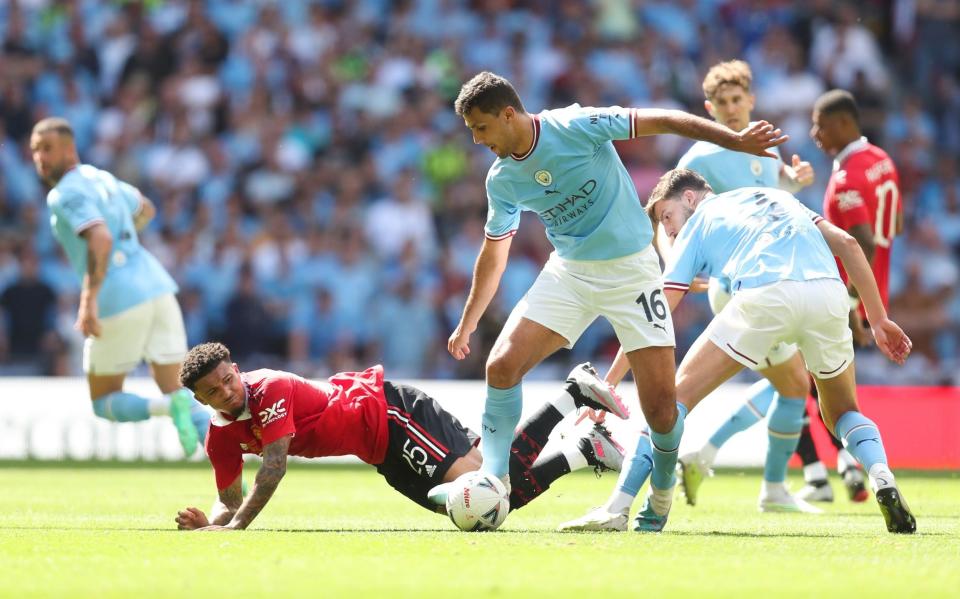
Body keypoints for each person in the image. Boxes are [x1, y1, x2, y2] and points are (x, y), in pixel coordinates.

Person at [428, 71, 788, 515]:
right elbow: (495, 250)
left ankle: (659, 496)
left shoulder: (576, 126)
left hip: (632, 272)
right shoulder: (501, 180)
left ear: (507, 114)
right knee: (501, 366)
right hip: (570, 274)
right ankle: (494, 479)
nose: (478, 141)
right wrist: (469, 322)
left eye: (481, 128)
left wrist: (733, 140)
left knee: (660, 410)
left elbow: (666, 120)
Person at [565, 169, 915, 534]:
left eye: (666, 217)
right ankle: (881, 476)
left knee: (672, 400)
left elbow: (658, 312)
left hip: (765, 295)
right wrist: (877, 319)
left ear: (689, 198)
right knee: (842, 411)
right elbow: (849, 244)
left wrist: (609, 381)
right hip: (828, 295)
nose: (668, 231)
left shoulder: (698, 223)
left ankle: (620, 507)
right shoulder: (780, 198)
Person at [580, 59, 820, 516]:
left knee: (793, 387)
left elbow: (772, 190)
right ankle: (645, 492)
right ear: (710, 108)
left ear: (751, 100)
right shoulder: (700, 157)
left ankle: (758, 482)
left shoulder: (765, 153)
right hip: (737, 288)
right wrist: (678, 268)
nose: (731, 109)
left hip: (764, 284)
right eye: (722, 103)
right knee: (689, 395)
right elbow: (663, 213)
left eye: (738, 100)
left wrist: (796, 179)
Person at [173, 342, 626, 531]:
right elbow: (230, 500)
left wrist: (233, 529)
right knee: (483, 507)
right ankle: (583, 450)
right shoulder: (221, 440)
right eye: (214, 391)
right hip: (382, 451)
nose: (228, 392)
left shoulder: (267, 387)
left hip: (391, 415)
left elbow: (273, 468)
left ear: (236, 369)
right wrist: (214, 523)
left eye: (228, 379)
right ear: (201, 399)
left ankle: (572, 396)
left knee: (487, 491)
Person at [29, 117, 209, 456]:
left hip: (118, 297)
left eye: (48, 149)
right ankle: (234, 482)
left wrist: (88, 299)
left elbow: (99, 236)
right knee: (180, 390)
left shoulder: (63, 193)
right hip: (158, 288)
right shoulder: (103, 178)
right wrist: (127, 237)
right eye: (36, 150)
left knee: (103, 400)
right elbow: (146, 209)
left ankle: (168, 409)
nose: (40, 157)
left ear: (70, 150)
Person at [792, 89, 904, 502]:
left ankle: (849, 471)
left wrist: (857, 306)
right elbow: (895, 225)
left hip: (839, 300)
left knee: (807, 382)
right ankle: (842, 469)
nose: (814, 134)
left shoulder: (845, 179)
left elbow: (863, 243)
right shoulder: (882, 161)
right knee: (805, 381)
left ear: (842, 123)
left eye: (820, 124)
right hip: (869, 294)